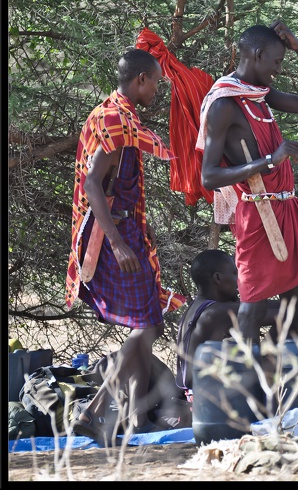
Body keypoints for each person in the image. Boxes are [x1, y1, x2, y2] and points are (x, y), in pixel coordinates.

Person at [65, 48, 177, 446]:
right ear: (141, 79)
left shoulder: (116, 115)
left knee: (147, 324)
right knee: (146, 325)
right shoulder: (115, 120)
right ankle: (94, 412)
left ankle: (133, 419)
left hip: (121, 230)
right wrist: (118, 244)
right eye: (157, 82)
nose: (158, 90)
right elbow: (95, 183)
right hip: (113, 233)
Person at [196, 21, 298, 347]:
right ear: (256, 55)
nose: (278, 70)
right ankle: (247, 384)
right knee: (253, 301)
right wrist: (271, 160)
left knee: (295, 297)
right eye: (277, 61)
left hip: (285, 208)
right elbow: (209, 176)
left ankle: (292, 378)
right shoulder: (226, 103)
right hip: (257, 212)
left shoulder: (259, 97)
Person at [176, 249, 298, 402]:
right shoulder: (215, 313)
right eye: (235, 274)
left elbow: (280, 309)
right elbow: (290, 311)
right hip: (212, 399)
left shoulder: (198, 308)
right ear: (218, 279)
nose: (239, 281)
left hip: (207, 393)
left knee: (296, 335)